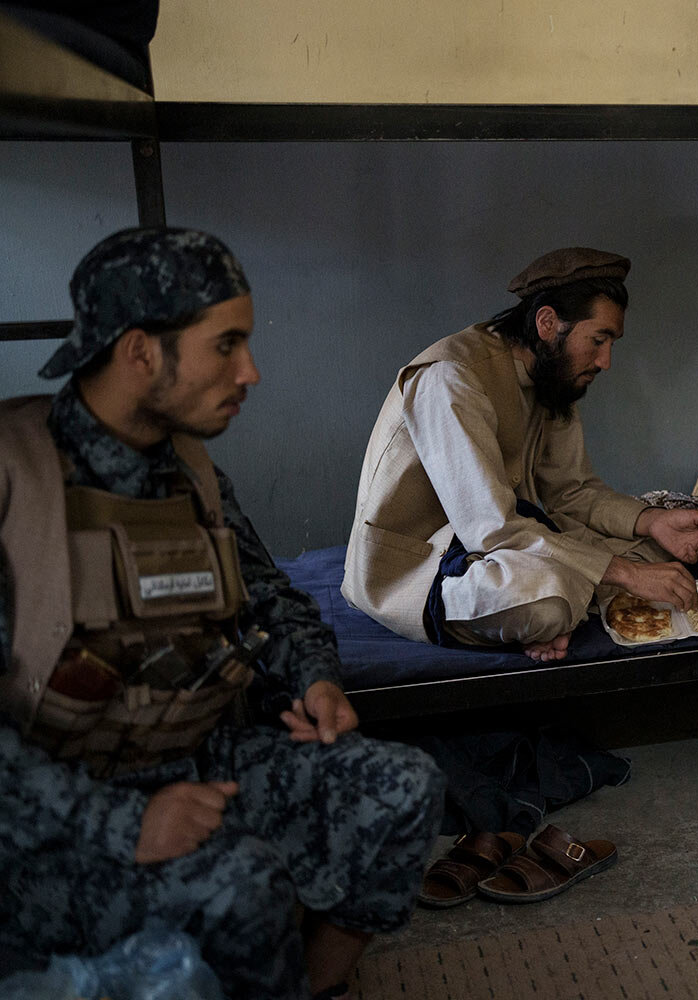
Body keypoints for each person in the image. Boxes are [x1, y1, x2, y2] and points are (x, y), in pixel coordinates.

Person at [0, 227, 445, 1000]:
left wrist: (314, 680)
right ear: (140, 352)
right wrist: (124, 826)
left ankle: (312, 988)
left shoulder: (189, 468)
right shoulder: (16, 481)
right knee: (243, 885)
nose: (251, 371)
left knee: (404, 790)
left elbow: (270, 597)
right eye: (226, 345)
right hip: (44, 817)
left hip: (195, 761)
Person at [343, 247, 698, 662]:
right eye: (598, 340)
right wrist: (626, 573)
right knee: (545, 603)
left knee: (659, 555)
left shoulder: (551, 374)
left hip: (502, 547)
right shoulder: (451, 378)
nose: (606, 361)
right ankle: (559, 610)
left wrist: (653, 522)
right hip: (423, 565)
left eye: (611, 342)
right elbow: (493, 529)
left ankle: (559, 609)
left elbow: (572, 493)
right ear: (547, 323)